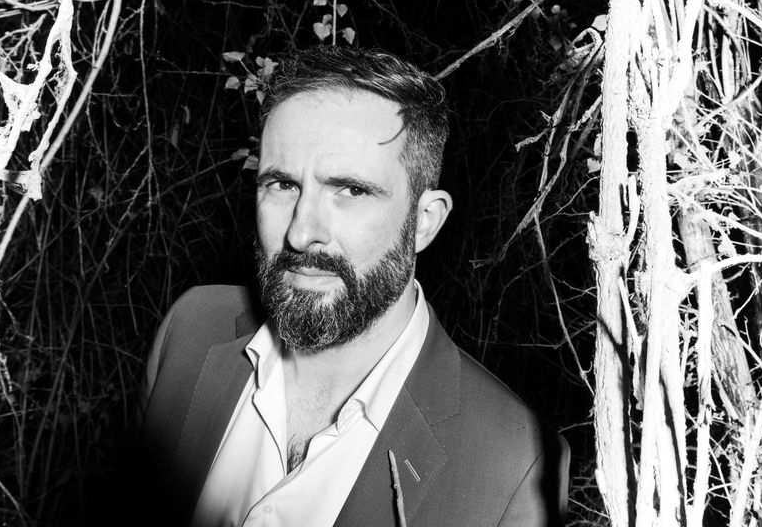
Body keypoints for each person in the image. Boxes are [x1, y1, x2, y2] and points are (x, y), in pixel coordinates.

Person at [136, 46, 569, 526]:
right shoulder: (190, 331)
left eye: (351, 190)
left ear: (424, 221)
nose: (301, 233)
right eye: (282, 185)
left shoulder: (512, 466)